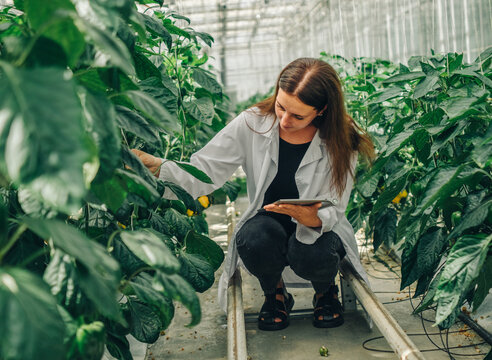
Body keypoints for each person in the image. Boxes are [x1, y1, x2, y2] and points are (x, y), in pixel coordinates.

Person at [133, 58, 375, 331]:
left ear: (321, 110)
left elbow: (335, 203)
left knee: (311, 252)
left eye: (298, 116)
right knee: (253, 240)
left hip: (318, 225)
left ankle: (325, 292)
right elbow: (206, 168)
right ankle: (276, 294)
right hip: (268, 218)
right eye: (281, 107)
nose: (284, 120)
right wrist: (160, 168)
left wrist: (314, 217)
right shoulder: (251, 123)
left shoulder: (342, 141)